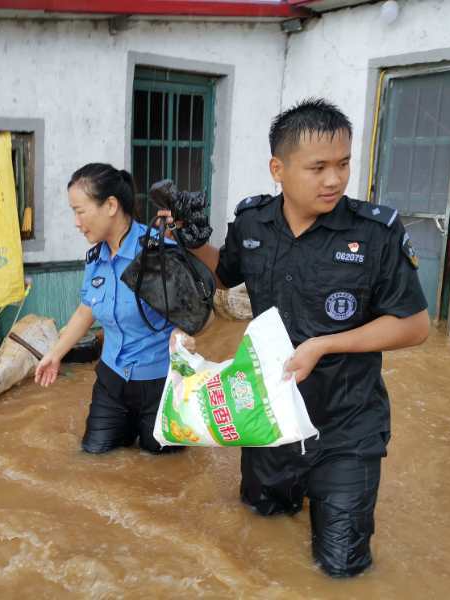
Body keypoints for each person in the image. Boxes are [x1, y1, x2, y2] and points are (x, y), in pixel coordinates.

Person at [165, 98, 429, 577]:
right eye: (318, 167)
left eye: (344, 164)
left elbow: (414, 326)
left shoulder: (375, 234)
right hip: (270, 418)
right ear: (278, 168)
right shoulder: (252, 223)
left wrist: (325, 344)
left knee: (341, 569)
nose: (335, 179)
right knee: (261, 533)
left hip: (347, 427)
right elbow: (223, 277)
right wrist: (192, 238)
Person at [34, 163, 181, 455]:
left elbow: (198, 313)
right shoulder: (96, 258)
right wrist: (55, 354)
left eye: (80, 210)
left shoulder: (158, 252)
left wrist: (182, 333)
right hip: (112, 380)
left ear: (111, 205)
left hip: (160, 385)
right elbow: (86, 310)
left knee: (163, 469)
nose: (76, 222)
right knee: (94, 457)